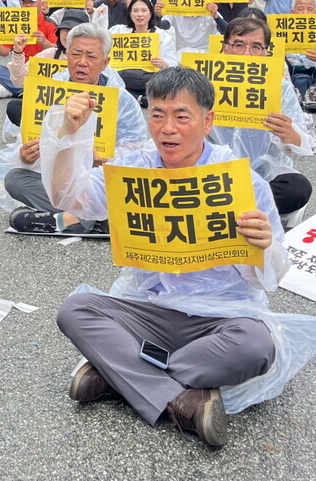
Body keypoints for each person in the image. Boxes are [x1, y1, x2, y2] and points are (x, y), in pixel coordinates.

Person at [47, 67, 287, 447]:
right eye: (157, 115)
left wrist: (265, 246)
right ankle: (183, 397)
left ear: (207, 121)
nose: (167, 128)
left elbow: (273, 276)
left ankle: (118, 374)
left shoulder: (239, 180)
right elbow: (69, 199)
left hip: (218, 318)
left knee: (255, 346)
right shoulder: (132, 168)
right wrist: (67, 134)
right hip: (148, 309)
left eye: (181, 116)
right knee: (76, 310)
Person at [5, 23, 149, 235]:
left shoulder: (122, 100)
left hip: (102, 180)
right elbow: (29, 138)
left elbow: (136, 150)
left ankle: (66, 219)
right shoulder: (49, 91)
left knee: (137, 186)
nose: (82, 63)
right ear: (67, 57)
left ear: (105, 62)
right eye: (76, 54)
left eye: (91, 56)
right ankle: (97, 219)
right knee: (15, 179)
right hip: (62, 178)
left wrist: (106, 159)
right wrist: (25, 155)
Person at [209, 15, 316, 222]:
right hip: (212, 176)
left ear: (267, 53)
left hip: (263, 176)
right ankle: (245, 212)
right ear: (224, 47)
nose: (247, 53)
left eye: (256, 47)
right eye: (238, 44)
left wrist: (289, 133)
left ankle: (227, 213)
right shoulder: (203, 82)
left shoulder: (280, 87)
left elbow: (304, 145)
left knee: (297, 189)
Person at [108, 0, 178, 104]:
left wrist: (164, 63)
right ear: (130, 13)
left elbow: (174, 64)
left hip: (150, 80)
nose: (139, 14)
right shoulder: (118, 31)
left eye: (144, 10)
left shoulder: (163, 36)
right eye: (135, 10)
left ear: (150, 13)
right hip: (122, 79)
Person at [0, 0, 58, 98]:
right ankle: (25, 91)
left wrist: (45, 43)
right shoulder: (16, 22)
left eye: (31, 2)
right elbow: (4, 52)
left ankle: (19, 90)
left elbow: (59, 53)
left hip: (43, 71)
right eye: (24, 2)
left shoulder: (50, 24)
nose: (27, 5)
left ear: (42, 4)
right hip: (22, 70)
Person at [155, 0, 227, 55]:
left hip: (205, 55)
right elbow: (161, 26)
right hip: (182, 55)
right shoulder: (175, 12)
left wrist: (216, 16)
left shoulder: (209, 12)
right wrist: (158, 16)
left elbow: (227, 31)